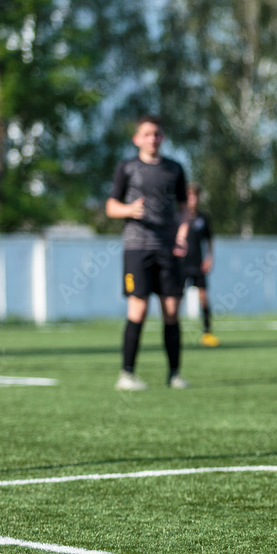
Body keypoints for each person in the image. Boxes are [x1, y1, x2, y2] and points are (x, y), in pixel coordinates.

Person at [106, 114, 190, 391]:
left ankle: (174, 374)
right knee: (138, 310)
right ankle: (127, 374)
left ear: (162, 138)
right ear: (137, 139)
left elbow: (185, 207)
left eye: (157, 134)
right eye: (147, 134)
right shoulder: (127, 168)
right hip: (137, 249)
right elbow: (110, 207)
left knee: (171, 311)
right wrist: (129, 210)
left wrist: (182, 234)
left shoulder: (175, 168)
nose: (152, 139)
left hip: (168, 249)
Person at [180, 183, 219, 348]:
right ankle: (176, 335)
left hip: (198, 265)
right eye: (190, 196)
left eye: (195, 196)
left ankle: (207, 333)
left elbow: (209, 240)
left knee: (203, 297)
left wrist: (209, 257)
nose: (193, 200)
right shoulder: (179, 217)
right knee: (174, 300)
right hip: (180, 265)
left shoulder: (203, 218)